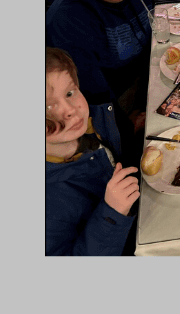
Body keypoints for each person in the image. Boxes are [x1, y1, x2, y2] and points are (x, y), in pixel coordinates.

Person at [45, 0, 153, 164]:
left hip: (145, 84)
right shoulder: (69, 16)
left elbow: (150, 39)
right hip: (106, 107)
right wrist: (126, 124)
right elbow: (92, 91)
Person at [45, 48, 139, 256]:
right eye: (47, 108)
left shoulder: (92, 124)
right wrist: (112, 214)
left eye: (70, 93)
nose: (70, 109)